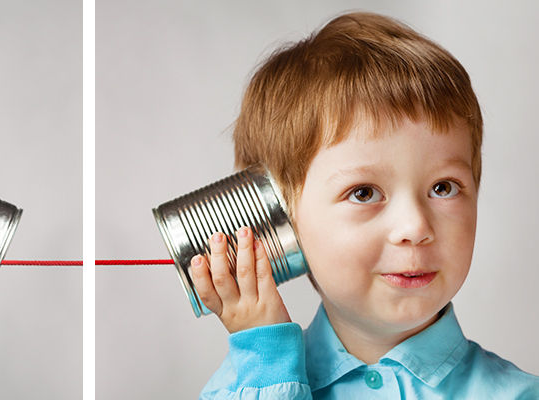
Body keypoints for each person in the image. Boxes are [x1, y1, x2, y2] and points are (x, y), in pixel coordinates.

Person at [189, 12, 539, 399]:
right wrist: (267, 362)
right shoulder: (244, 388)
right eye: (364, 193)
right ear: (280, 217)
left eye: (442, 187)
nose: (414, 227)